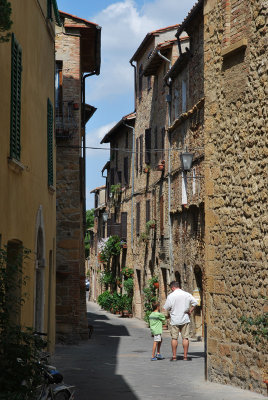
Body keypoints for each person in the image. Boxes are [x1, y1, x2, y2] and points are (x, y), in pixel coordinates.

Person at [164, 281, 197, 361]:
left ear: (172, 288)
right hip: (185, 318)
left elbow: (166, 308)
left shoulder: (171, 296)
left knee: (174, 338)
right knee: (185, 338)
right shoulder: (186, 294)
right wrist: (190, 311)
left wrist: (168, 314)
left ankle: (174, 356)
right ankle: (185, 356)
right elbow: (195, 303)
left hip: (174, 319)